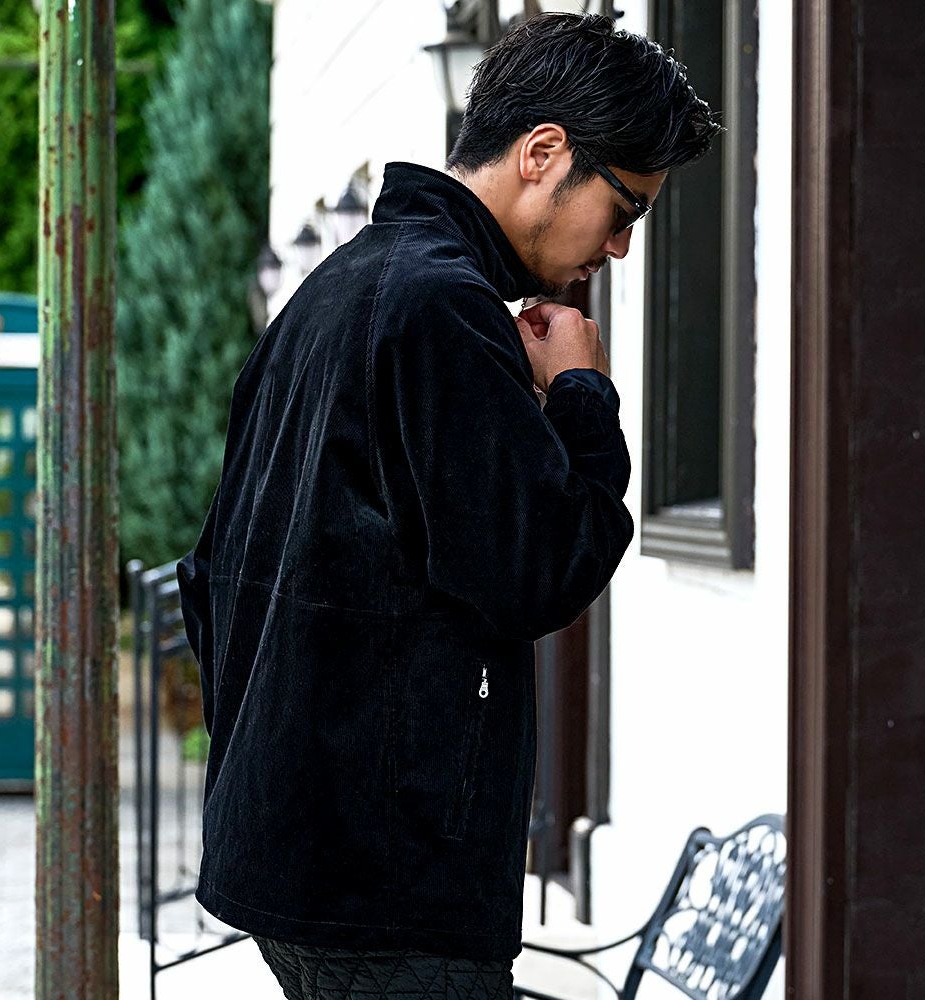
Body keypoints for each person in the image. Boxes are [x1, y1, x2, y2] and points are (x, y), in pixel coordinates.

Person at [176, 11, 720, 999]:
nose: (620, 247)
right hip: (389, 885)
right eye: (624, 208)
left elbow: (212, 568)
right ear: (542, 153)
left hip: (300, 861)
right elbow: (541, 569)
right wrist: (581, 395)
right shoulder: (441, 307)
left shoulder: (337, 289)